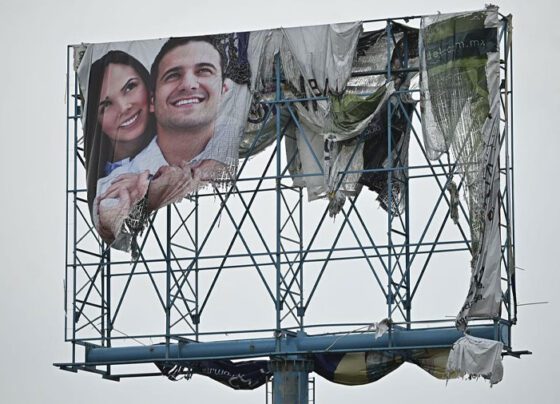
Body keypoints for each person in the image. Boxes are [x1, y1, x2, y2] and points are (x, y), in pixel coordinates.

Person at [95, 36, 236, 244]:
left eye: (204, 71)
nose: (188, 84)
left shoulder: (232, 135)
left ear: (224, 90)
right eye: (173, 75)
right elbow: (108, 218)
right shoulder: (122, 178)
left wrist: (190, 174)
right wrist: (146, 192)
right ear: (152, 99)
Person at [84, 50, 155, 216]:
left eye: (130, 87)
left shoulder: (182, 151)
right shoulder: (102, 187)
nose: (123, 108)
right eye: (107, 104)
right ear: (96, 120)